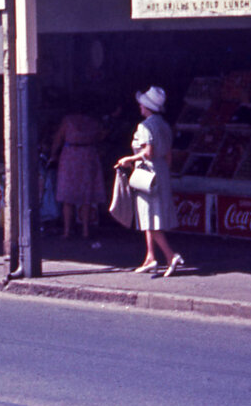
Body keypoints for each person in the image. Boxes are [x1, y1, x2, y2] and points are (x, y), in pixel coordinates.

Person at [116, 86, 184, 276]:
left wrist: (128, 159)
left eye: (142, 104)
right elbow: (168, 155)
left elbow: (148, 152)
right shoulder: (164, 125)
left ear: (147, 107)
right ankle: (150, 257)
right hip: (161, 171)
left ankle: (171, 256)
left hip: (147, 173)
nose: (139, 106)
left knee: (149, 219)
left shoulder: (145, 126)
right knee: (150, 215)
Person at [49, 95, 108, 239]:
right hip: (88, 155)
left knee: (67, 195)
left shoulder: (67, 121)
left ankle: (67, 231)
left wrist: (53, 154)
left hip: (70, 155)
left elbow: (58, 139)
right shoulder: (94, 122)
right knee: (86, 196)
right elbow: (101, 137)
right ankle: (85, 230)